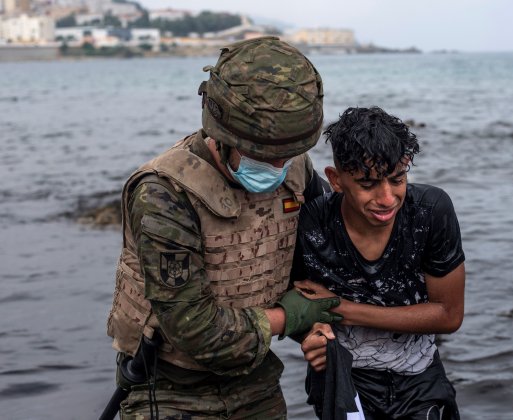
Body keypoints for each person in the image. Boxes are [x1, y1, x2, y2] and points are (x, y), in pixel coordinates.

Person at [105, 37, 343, 419]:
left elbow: (315, 260)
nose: (277, 165)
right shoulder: (164, 192)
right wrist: (293, 316)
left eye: (286, 154)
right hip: (169, 388)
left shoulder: (295, 168)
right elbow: (195, 330)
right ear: (221, 135)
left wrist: (314, 329)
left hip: (257, 380)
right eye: (263, 156)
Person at [292, 106, 466, 419]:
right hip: (343, 380)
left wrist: (342, 309)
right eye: (368, 184)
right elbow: (298, 298)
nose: (387, 198)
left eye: (397, 179)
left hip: (419, 378)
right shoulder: (313, 223)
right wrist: (310, 335)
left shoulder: (430, 211)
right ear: (336, 179)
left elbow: (448, 315)